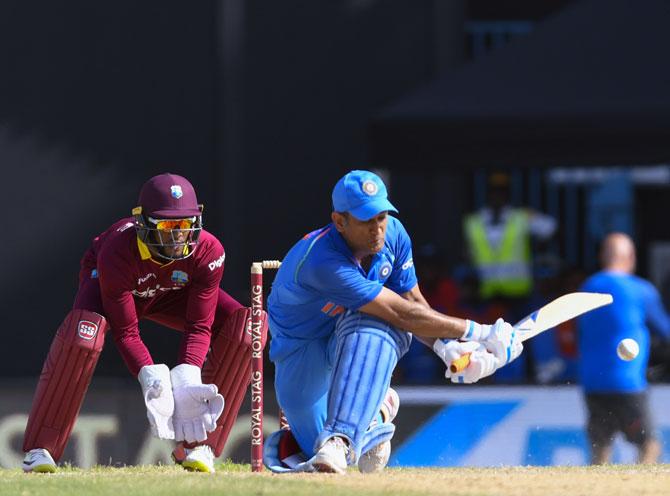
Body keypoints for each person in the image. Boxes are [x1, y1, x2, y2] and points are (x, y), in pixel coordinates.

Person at [262, 170, 523, 474]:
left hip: (354, 334)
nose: (377, 229)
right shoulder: (322, 261)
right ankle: (377, 413)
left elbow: (411, 301)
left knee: (373, 323)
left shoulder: (394, 234)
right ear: (339, 221)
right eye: (365, 220)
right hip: (300, 348)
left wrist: (448, 347)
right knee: (311, 448)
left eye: (381, 216)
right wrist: (481, 331)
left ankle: (341, 438)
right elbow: (401, 312)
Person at [22, 173, 266, 474]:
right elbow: (126, 332)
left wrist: (188, 376)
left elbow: (198, 326)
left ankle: (199, 446)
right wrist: (149, 376)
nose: (178, 235)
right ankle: (40, 449)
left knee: (248, 328)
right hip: (112, 288)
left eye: (186, 224)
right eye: (167, 226)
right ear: (143, 223)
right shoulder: (117, 252)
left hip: (170, 293)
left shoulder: (208, 251)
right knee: (82, 337)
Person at [577, 232, 670, 464]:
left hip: (592, 383)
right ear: (630, 257)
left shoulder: (587, 287)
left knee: (600, 448)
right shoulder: (640, 289)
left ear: (602, 257)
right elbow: (665, 330)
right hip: (627, 384)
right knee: (649, 445)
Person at [463, 172, 556, 301]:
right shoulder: (474, 221)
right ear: (488, 193)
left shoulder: (521, 216)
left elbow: (549, 228)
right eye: (494, 191)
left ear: (508, 193)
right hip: (486, 293)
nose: (498, 195)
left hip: (519, 293)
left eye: (502, 191)